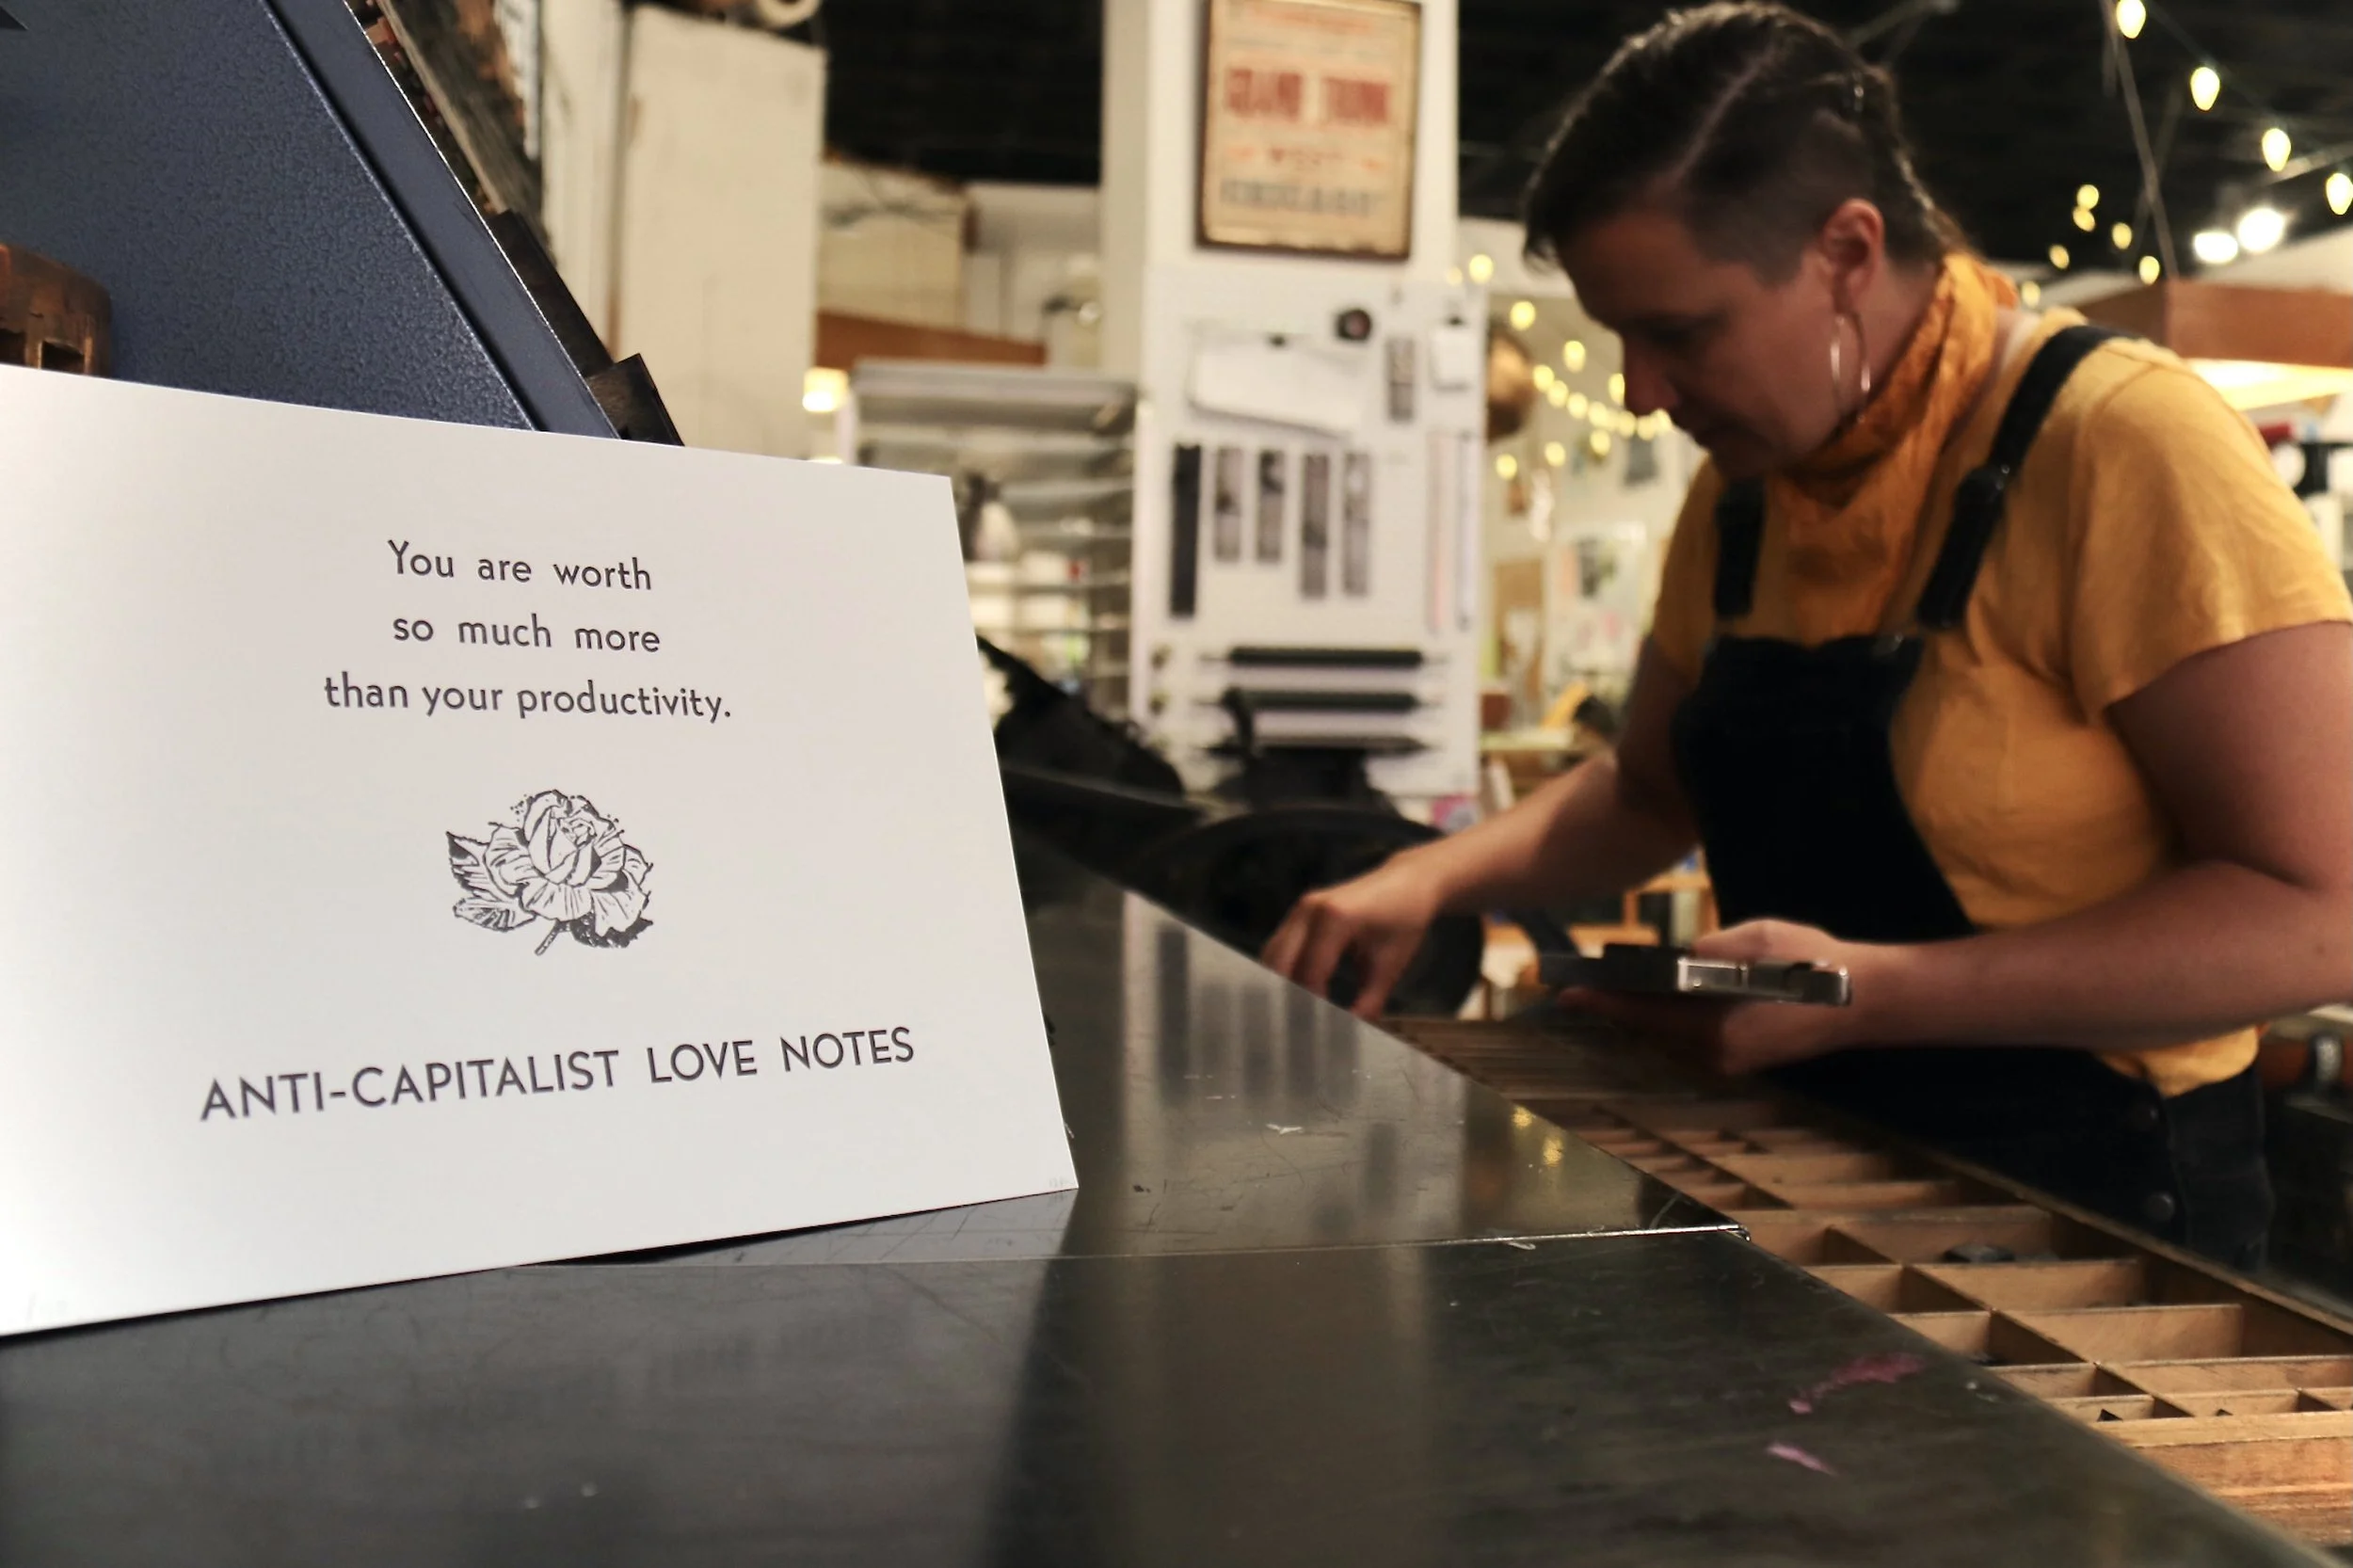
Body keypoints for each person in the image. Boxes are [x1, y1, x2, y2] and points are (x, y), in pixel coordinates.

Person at [1262, 2, 2353, 1267]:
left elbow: (2320, 908)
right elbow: (1645, 787)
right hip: (1798, 1169)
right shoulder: (1743, 495)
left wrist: (1872, 994)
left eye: (1679, 331)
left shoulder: (2118, 444)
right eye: (1621, 337)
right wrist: (1430, 875)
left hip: (2088, 1217)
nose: (1640, 392)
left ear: (1845, 251)